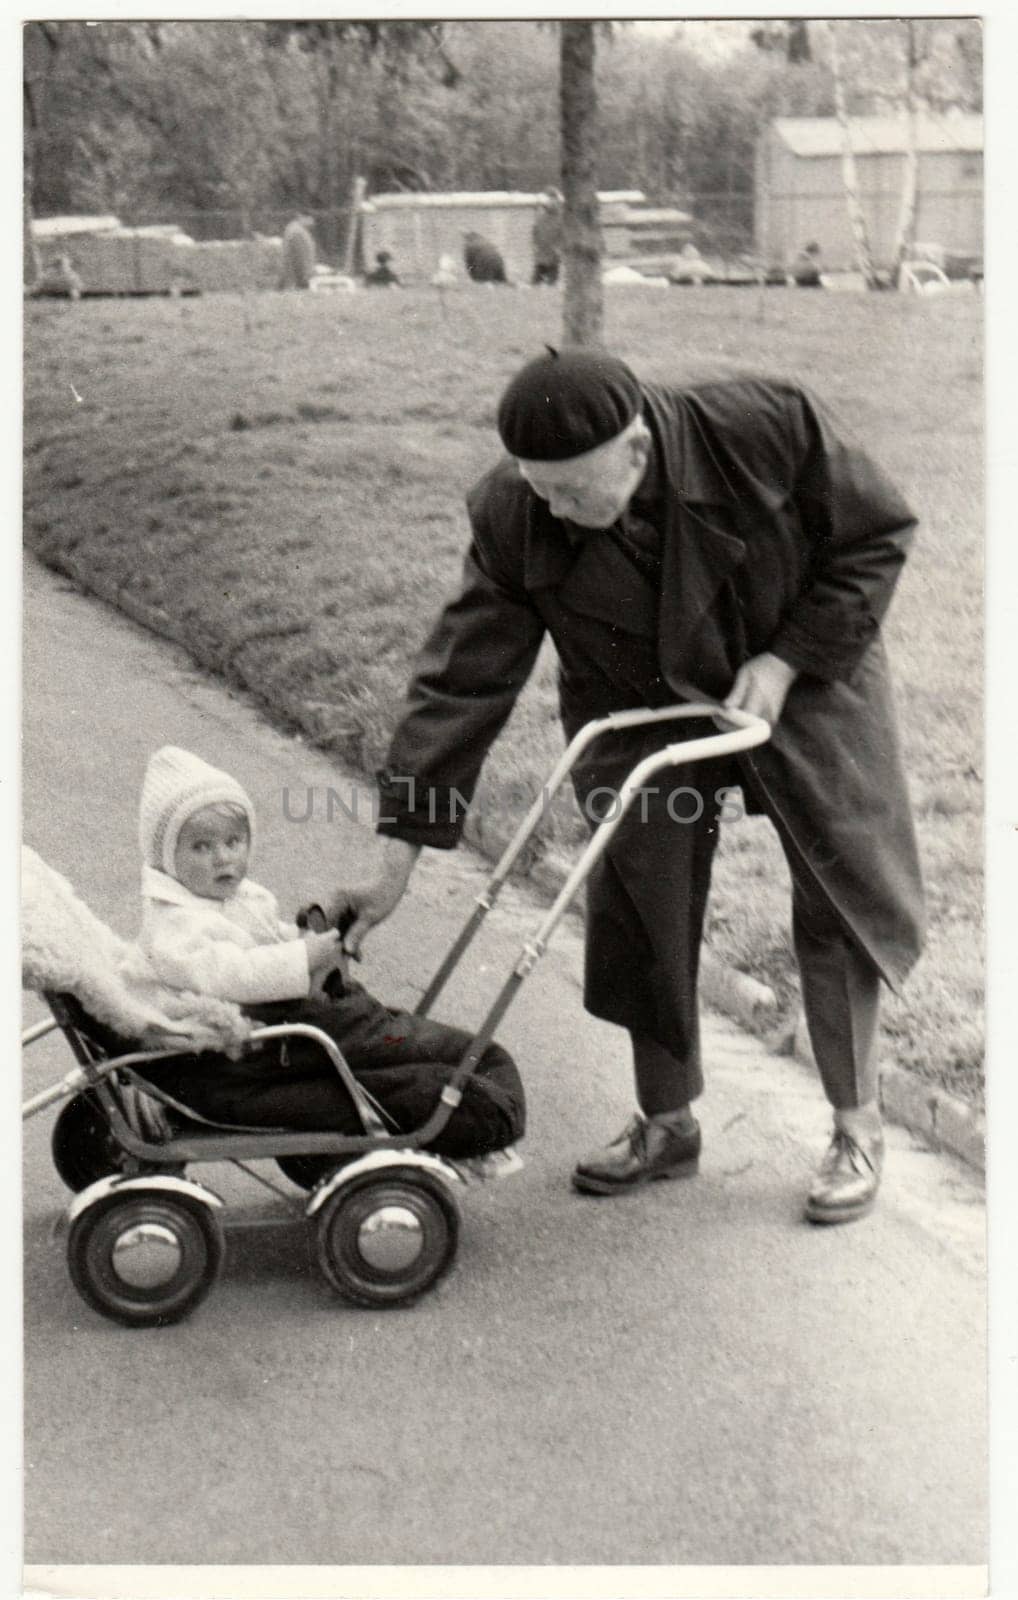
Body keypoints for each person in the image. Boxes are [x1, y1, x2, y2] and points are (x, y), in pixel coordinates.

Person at [328, 348, 925, 1226]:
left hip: (804, 669)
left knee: (837, 891)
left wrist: (788, 660)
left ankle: (855, 1126)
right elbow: (461, 681)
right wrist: (395, 864)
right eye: (539, 489)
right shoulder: (514, 512)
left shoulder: (764, 425)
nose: (552, 509)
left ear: (637, 451)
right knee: (642, 889)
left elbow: (876, 536)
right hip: (636, 693)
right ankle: (667, 1120)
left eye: (570, 491)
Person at [135, 745, 525, 1161]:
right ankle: (473, 1104)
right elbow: (228, 973)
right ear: (166, 859)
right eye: (201, 848)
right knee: (411, 1055)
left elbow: (262, 938)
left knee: (400, 1040)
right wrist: (301, 959)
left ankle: (467, 1083)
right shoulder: (175, 926)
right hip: (253, 1051)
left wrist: (301, 937)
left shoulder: (233, 898)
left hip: (281, 1030)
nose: (224, 857)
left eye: (234, 841)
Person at [531, 190, 563, 286]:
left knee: (552, 282)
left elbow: (564, 235)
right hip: (541, 254)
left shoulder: (561, 217)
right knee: (536, 282)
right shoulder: (540, 217)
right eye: (549, 200)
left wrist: (559, 248)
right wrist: (535, 246)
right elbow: (535, 233)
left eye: (552, 200)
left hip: (553, 255)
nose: (550, 202)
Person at [278, 215, 316, 290]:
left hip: (296, 276)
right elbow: (301, 257)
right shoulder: (297, 232)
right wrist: (305, 276)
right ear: (301, 217)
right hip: (298, 278)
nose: (313, 222)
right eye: (311, 218)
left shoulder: (295, 229)